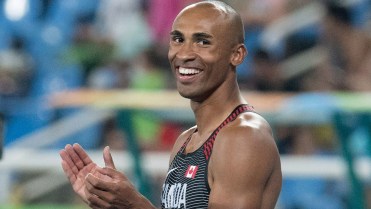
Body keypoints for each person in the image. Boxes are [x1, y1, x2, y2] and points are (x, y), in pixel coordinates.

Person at [59, 1, 282, 208]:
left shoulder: (243, 138)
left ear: (237, 55)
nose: (184, 54)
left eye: (203, 41)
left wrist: (135, 204)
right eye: (178, 39)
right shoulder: (185, 141)